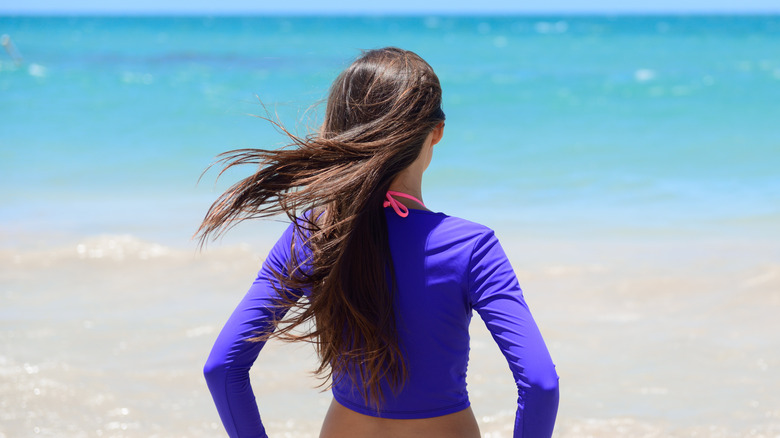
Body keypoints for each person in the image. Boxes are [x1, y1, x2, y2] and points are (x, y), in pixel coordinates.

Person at [197, 47, 559, 438]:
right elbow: (540, 385)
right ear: (436, 131)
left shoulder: (313, 235)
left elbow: (223, 368)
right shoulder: (471, 246)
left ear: (334, 131)